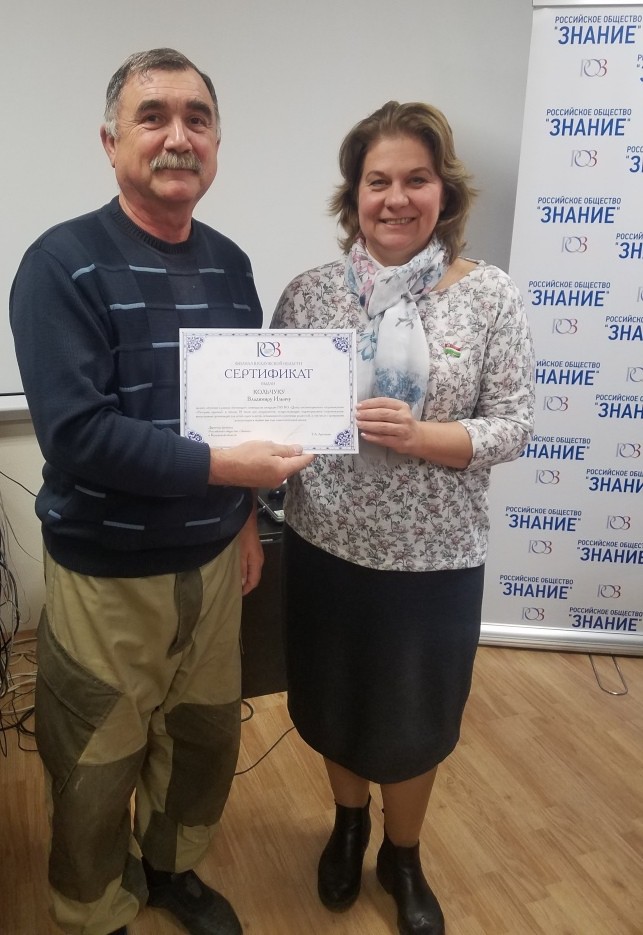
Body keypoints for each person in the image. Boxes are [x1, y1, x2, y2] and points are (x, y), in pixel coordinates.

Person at [10, 48, 313, 935]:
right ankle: (93, 906)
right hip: (107, 573)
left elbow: (242, 415)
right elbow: (78, 434)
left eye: (197, 118)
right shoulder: (60, 263)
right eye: (153, 117)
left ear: (215, 143)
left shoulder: (230, 264)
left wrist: (245, 518)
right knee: (96, 758)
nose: (178, 136)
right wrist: (227, 472)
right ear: (111, 143)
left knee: (202, 739)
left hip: (215, 562)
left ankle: (172, 869)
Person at [271, 101, 535, 935]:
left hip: (435, 559)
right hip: (326, 545)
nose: (394, 198)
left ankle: (403, 853)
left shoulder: (488, 296)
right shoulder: (310, 294)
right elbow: (271, 415)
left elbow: (513, 425)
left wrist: (423, 437)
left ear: (442, 192)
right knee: (334, 700)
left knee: (416, 720)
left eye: (414, 179)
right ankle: (348, 825)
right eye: (376, 180)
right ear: (352, 195)